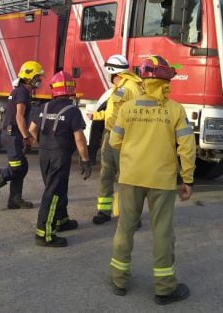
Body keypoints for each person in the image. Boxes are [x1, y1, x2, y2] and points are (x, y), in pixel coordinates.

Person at [108, 55, 196, 305]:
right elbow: (186, 148)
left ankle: (119, 280)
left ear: (144, 79)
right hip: (162, 180)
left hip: (131, 177)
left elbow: (114, 141)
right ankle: (164, 288)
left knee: (125, 227)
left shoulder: (127, 108)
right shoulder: (175, 110)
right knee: (162, 232)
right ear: (166, 78)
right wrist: (187, 180)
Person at [28, 71, 92, 247]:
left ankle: (62, 220)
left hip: (45, 154)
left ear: (53, 89)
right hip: (60, 155)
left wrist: (43, 143)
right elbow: (79, 138)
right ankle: (44, 234)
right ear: (71, 89)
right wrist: (85, 160)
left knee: (57, 188)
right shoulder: (72, 111)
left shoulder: (44, 108)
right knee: (53, 193)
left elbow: (32, 130)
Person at [0, 61, 45, 210]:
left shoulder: (21, 90)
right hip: (12, 135)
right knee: (16, 168)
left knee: (22, 166)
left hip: (13, 135)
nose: (40, 81)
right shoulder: (22, 92)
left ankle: (14, 200)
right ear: (29, 77)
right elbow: (19, 117)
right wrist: (26, 137)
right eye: (37, 77)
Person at [86, 54, 142, 225]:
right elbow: (113, 112)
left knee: (126, 178)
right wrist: (96, 115)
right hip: (109, 136)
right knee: (106, 174)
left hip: (124, 138)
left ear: (112, 71)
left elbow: (138, 114)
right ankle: (104, 211)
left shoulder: (132, 87)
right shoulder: (118, 87)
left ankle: (131, 216)